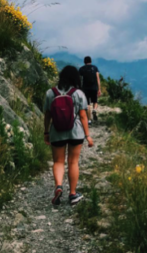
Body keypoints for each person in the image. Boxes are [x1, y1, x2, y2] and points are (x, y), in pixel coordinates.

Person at [44, 66, 95, 206]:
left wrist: (46, 132)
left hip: (56, 131)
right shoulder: (78, 93)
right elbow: (83, 116)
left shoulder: (50, 93)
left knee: (58, 162)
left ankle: (59, 186)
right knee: (73, 162)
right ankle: (72, 194)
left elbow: (47, 115)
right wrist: (88, 135)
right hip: (76, 131)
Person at [79, 56, 102, 124]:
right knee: (95, 101)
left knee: (88, 104)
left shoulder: (81, 69)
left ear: (84, 61)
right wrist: (99, 89)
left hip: (85, 88)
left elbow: (79, 79)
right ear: (91, 61)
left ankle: (89, 120)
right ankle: (94, 109)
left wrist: (79, 88)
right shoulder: (95, 68)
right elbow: (98, 78)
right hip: (94, 87)